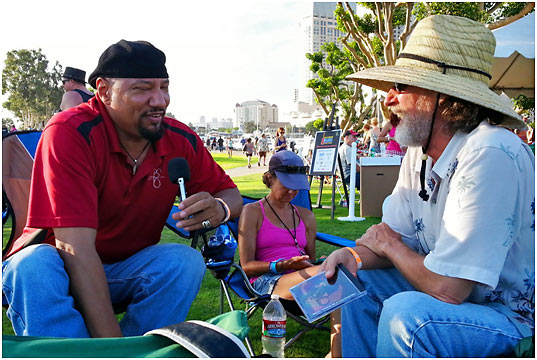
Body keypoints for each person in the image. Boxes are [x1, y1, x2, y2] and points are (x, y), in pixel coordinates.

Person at [320, 15, 534, 357]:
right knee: (355, 282)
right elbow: (390, 234)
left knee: (406, 316)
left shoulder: (490, 152)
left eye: (402, 87)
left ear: (443, 97)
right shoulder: (419, 153)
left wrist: (390, 247)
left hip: (510, 318)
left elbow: (449, 289)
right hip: (457, 302)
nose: (388, 99)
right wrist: (353, 256)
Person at [2, 40, 243, 338]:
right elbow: (73, 248)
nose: (159, 100)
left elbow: (230, 194)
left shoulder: (180, 138)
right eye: (142, 89)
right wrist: (111, 347)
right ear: (103, 91)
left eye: (163, 87)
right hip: (57, 269)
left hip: (123, 270)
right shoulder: (70, 132)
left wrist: (220, 209)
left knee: (184, 262)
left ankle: (139, 352)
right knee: (33, 265)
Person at [238, 150, 341, 357]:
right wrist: (281, 265)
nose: (292, 192)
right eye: (286, 186)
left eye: (296, 187)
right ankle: (338, 353)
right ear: (270, 179)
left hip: (303, 274)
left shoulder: (306, 216)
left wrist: (315, 262)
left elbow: (310, 260)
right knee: (333, 278)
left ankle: (337, 352)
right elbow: (247, 266)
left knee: (341, 275)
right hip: (267, 279)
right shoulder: (252, 212)